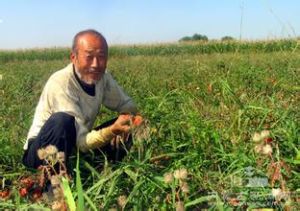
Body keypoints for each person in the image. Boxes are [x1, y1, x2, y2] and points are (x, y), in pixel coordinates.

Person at [22, 29, 141, 171]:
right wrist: (112, 131)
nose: (96, 64)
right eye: (89, 57)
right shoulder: (61, 83)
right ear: (74, 57)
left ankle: (105, 172)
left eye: (101, 57)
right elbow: (81, 141)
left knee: (130, 125)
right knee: (62, 121)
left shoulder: (102, 77)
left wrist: (125, 118)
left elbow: (127, 104)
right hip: (41, 152)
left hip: (75, 148)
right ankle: (52, 185)